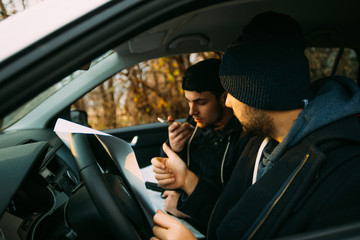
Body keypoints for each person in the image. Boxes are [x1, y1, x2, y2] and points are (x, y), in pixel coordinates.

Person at [151, 11, 360, 240]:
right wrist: (184, 178)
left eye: (232, 93)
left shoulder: (345, 171)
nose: (228, 102)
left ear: (260, 95)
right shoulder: (261, 141)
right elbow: (230, 218)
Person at [155, 58, 251, 234]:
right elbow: (176, 169)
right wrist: (174, 148)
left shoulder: (244, 141)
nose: (192, 112)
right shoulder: (195, 123)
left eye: (201, 102)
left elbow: (231, 211)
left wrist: (186, 208)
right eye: (189, 102)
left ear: (224, 98)